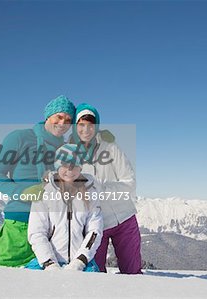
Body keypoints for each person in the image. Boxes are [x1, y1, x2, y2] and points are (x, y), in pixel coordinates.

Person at [0, 95, 76, 267]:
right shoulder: (20, 137)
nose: (63, 123)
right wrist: (22, 192)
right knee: (4, 271)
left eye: (68, 119)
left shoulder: (66, 149)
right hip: (22, 220)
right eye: (59, 116)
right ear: (48, 115)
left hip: (53, 226)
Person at [71, 103, 142, 274]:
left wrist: (101, 188)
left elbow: (130, 182)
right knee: (95, 275)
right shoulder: (70, 153)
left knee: (133, 274)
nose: (86, 129)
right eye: (81, 125)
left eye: (91, 125)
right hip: (94, 225)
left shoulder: (110, 147)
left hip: (124, 218)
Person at [26, 144, 103, 271]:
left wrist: (81, 260)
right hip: (48, 260)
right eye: (65, 165)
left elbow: (94, 231)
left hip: (81, 261)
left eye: (74, 165)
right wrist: (49, 263)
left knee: (91, 286)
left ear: (80, 167)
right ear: (57, 166)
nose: (69, 170)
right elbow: (37, 232)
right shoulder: (44, 193)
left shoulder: (90, 193)